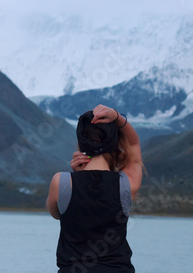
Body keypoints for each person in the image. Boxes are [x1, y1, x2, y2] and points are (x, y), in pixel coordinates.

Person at [46, 104, 145, 272]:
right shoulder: (126, 184)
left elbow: (57, 214)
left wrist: (76, 176)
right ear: (113, 142)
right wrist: (118, 117)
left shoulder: (60, 181)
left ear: (80, 141)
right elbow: (134, 145)